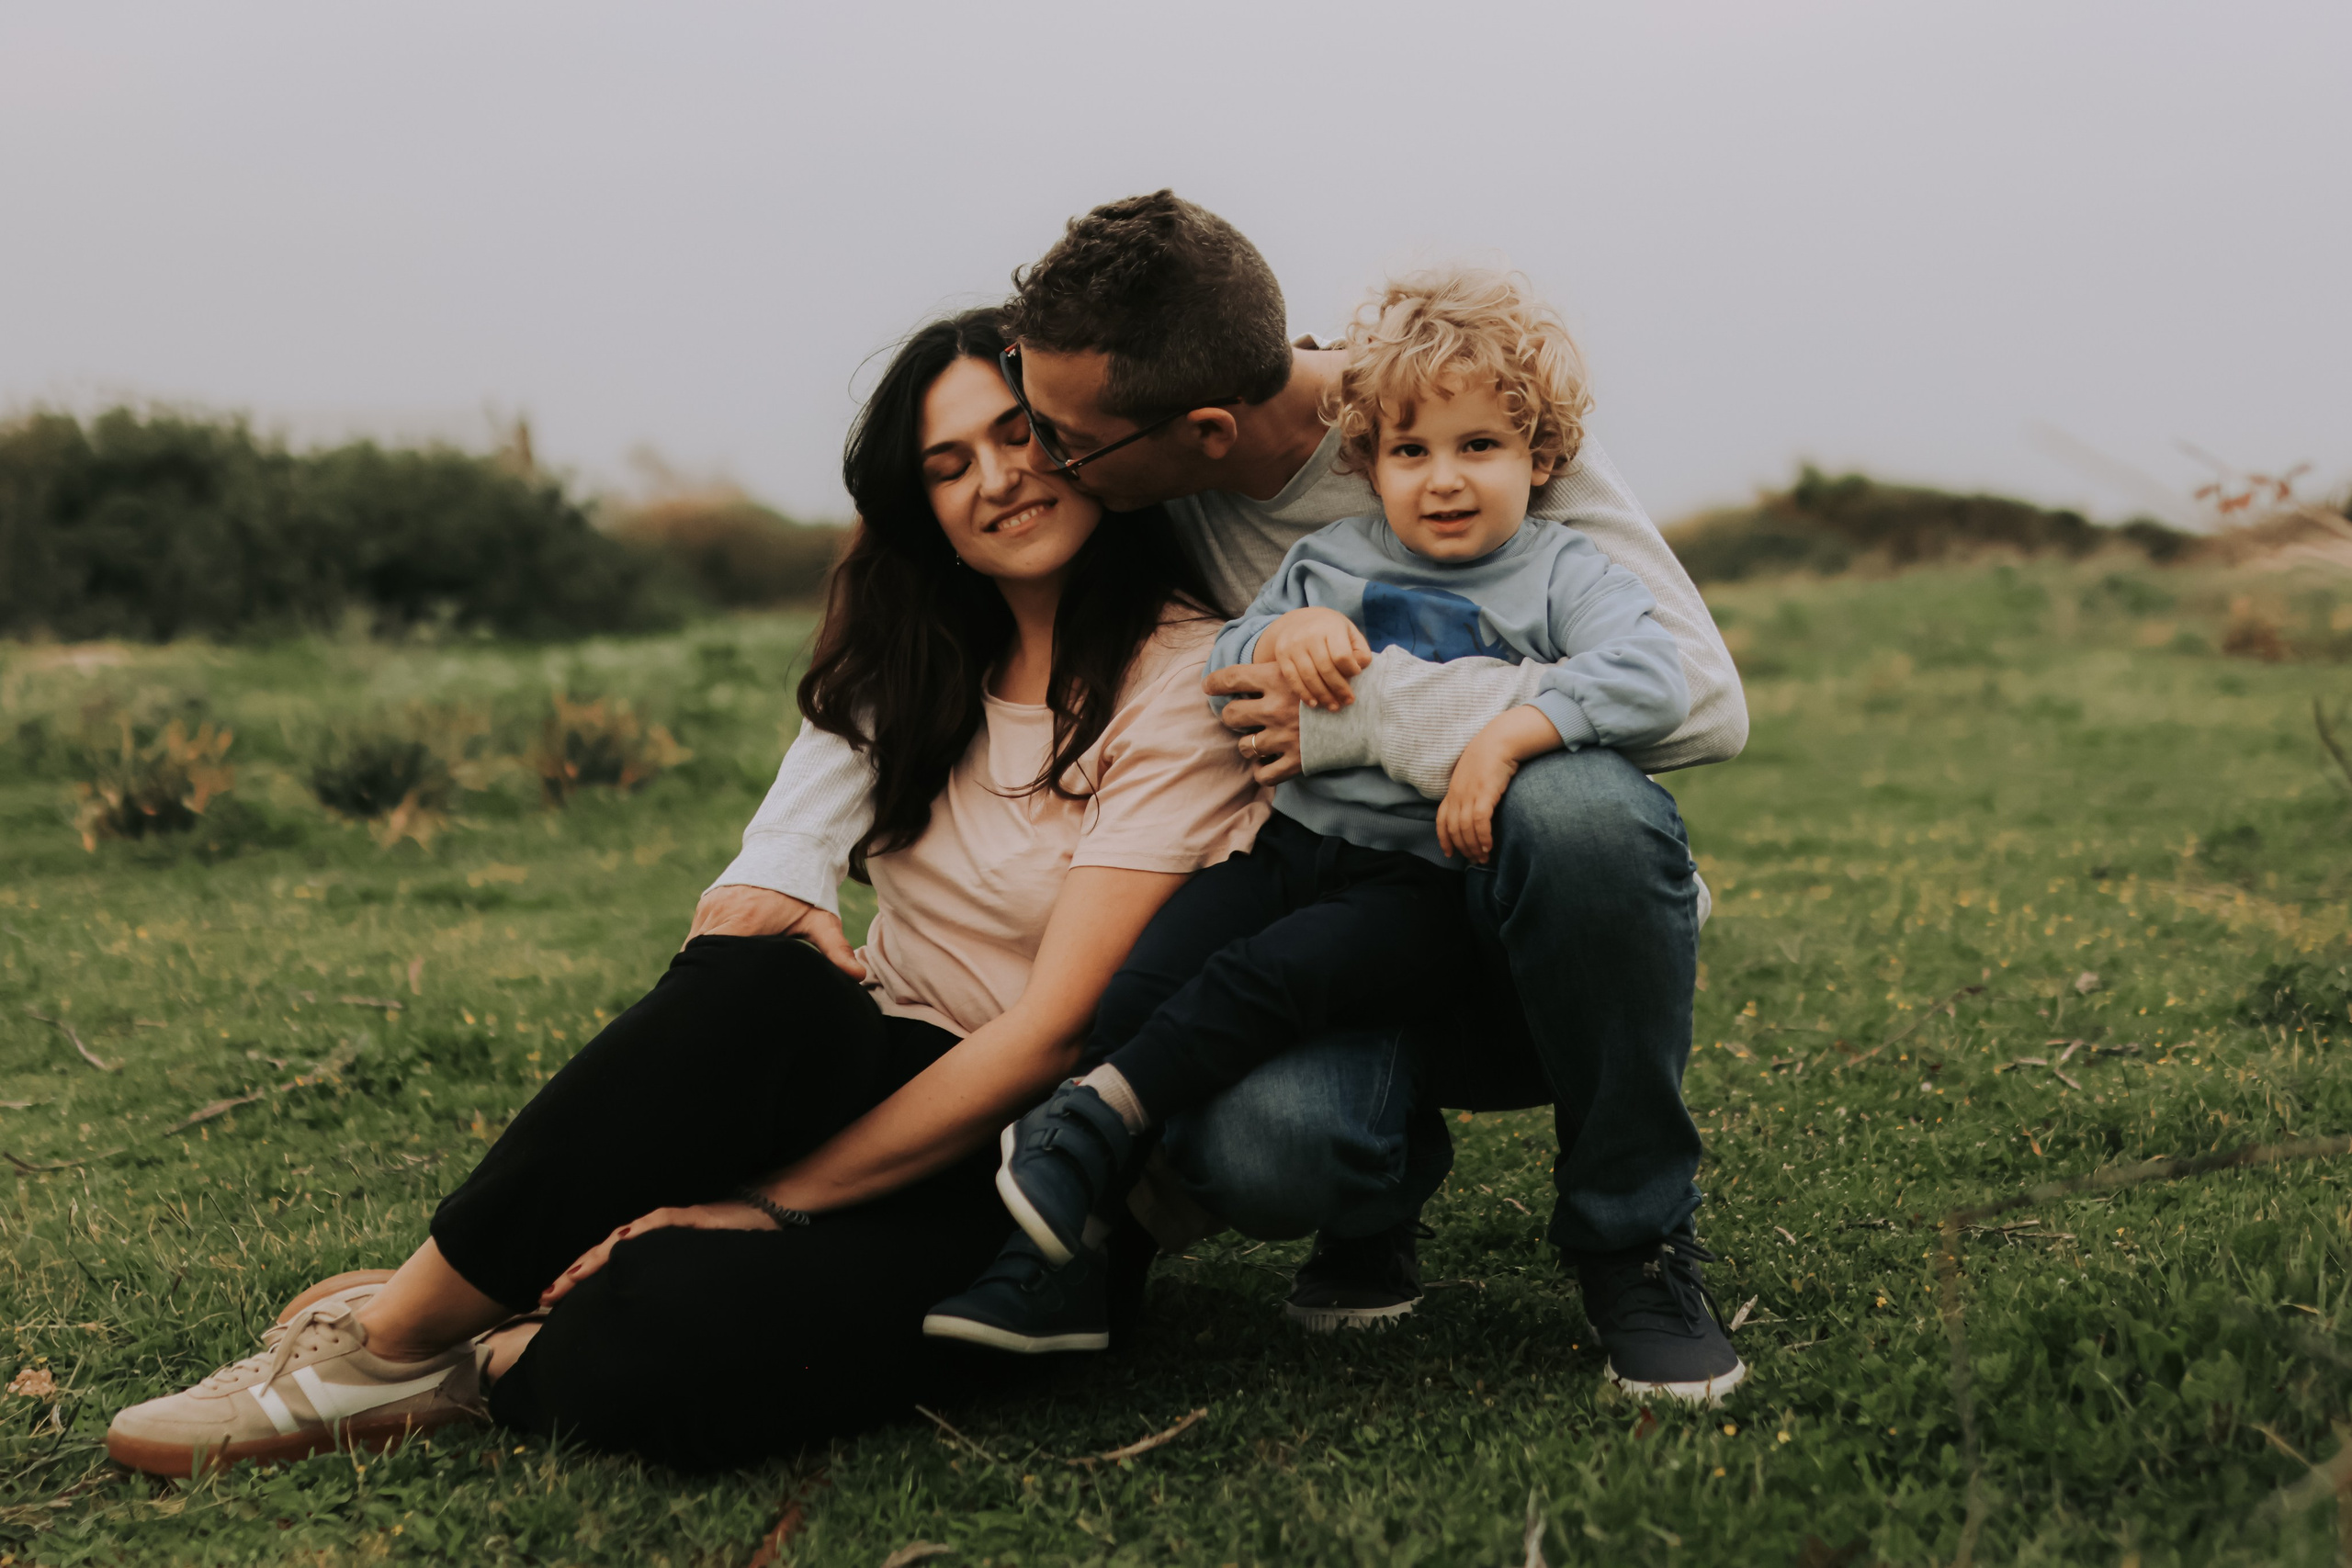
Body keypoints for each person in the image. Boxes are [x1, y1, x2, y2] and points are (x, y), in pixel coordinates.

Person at [103, 305, 1268, 1476]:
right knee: (761, 984)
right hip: (881, 1064)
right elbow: (789, 851)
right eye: (948, 465)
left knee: (668, 1331)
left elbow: (1050, 1032)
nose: (998, 481)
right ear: (921, 510)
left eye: (1019, 435)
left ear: (1083, 437)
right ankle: (383, 1339)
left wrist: (770, 1205)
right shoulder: (924, 659)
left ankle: (491, 1347)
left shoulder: (1180, 678)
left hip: (1045, 1162)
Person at [696, 192, 1751, 1405]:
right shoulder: (1134, 467)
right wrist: (779, 854)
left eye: (1058, 436)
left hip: (1522, 920)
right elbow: (918, 614)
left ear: (1201, 432)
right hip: (1328, 895)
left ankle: (1634, 1237)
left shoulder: (1452, 404)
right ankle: (1349, 1187)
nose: (1036, 456)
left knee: (1578, 808)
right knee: (1258, 1136)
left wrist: (1369, 718)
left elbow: (1703, 698)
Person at [925, 267, 1708, 1384]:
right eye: (1409, 452)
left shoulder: (1562, 571)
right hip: (1294, 849)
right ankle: (1065, 1245)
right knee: (1150, 976)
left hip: (1419, 878)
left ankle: (1098, 1121)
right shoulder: (1329, 561)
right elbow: (1236, 660)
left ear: (1541, 460)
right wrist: (1281, 645)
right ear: (1365, 463)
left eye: (1479, 447)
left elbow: (1655, 680)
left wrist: (1506, 735)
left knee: (1270, 980)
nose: (1443, 481)